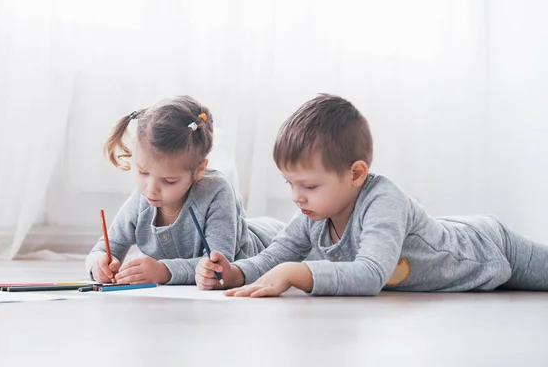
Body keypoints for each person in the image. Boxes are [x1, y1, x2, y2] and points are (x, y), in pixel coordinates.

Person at [196, 94, 548, 296]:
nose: (297, 198)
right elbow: (276, 255)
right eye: (291, 184)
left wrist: (299, 273)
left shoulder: (383, 200)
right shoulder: (315, 213)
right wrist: (236, 272)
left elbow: (370, 274)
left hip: (490, 247)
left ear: (356, 174)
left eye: (310, 186)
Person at [86, 96, 285, 285]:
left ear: (199, 170)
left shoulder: (217, 191)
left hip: (269, 241)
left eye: (169, 181)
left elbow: (218, 265)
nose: (151, 189)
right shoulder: (141, 199)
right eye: (143, 172)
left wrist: (164, 271)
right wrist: (99, 265)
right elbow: (103, 249)